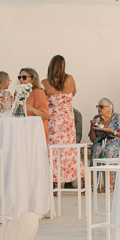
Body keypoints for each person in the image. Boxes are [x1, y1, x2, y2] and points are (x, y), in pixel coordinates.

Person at [43, 55, 79, 188]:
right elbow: (73, 93)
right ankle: (67, 180)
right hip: (68, 120)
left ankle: (52, 182)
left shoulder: (45, 83)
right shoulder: (70, 79)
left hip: (53, 121)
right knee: (67, 149)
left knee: (52, 150)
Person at [90, 98, 120, 166]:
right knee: (95, 152)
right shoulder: (96, 118)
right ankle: (94, 175)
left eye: (101, 107)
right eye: (98, 106)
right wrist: (92, 126)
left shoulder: (117, 117)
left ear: (109, 109)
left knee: (107, 152)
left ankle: (110, 175)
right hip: (100, 142)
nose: (99, 109)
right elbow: (93, 139)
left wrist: (112, 132)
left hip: (114, 141)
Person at [17, 68, 49, 136]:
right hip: (23, 131)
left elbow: (45, 115)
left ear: (32, 79)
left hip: (35, 133)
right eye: (19, 77)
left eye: (24, 77)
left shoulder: (38, 92)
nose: (21, 79)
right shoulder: (20, 93)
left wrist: (33, 109)